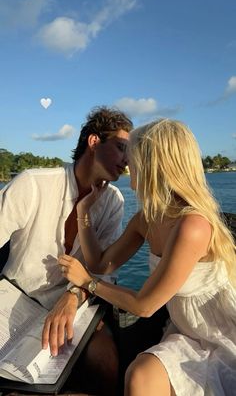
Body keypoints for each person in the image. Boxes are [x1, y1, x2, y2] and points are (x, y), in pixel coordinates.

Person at [59, 118, 236, 396]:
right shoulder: (147, 219)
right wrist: (84, 212)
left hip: (222, 335)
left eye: (133, 163)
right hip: (186, 331)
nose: (128, 173)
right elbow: (100, 263)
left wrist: (88, 283)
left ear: (155, 166)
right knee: (140, 376)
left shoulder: (193, 226)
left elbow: (144, 306)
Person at [0, 106, 133, 395]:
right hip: (16, 298)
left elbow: (105, 272)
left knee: (106, 360)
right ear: (94, 142)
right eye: (122, 148)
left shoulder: (113, 201)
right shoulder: (33, 184)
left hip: (77, 304)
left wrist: (74, 295)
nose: (127, 160)